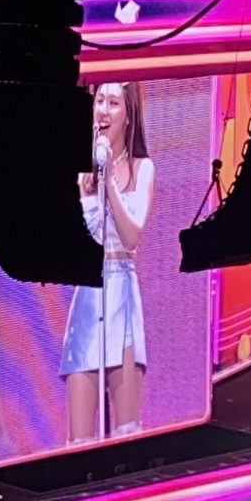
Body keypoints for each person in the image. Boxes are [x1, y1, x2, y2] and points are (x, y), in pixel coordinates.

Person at [61, 82, 154, 443]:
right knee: (79, 438)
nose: (102, 110)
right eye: (99, 100)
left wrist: (109, 179)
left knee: (126, 432)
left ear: (128, 115)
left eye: (113, 103)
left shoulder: (143, 169)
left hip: (122, 294)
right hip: (88, 293)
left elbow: (131, 237)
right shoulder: (78, 172)